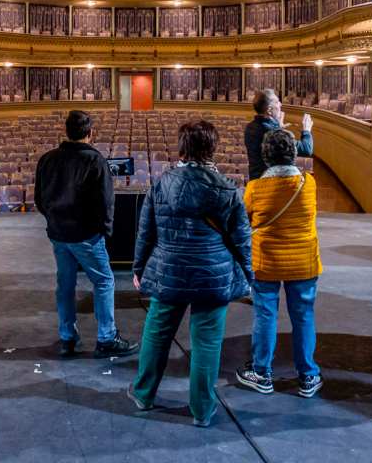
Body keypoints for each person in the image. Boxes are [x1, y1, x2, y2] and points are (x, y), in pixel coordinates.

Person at [129, 120, 253, 427]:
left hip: (169, 272)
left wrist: (139, 268)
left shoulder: (161, 184)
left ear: (182, 147)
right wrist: (248, 275)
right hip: (213, 275)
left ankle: (143, 394)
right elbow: (242, 240)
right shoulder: (227, 188)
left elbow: (146, 232)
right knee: (207, 343)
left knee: (157, 336)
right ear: (213, 147)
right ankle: (202, 410)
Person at [34, 110, 137, 359]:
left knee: (65, 286)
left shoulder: (47, 159)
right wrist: (105, 230)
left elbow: (39, 198)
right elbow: (106, 201)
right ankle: (106, 338)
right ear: (91, 133)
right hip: (86, 235)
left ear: (66, 132)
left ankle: (67, 338)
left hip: (58, 234)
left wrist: (53, 221)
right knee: (104, 281)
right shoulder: (95, 160)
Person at [235, 129, 324, 398]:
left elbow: (245, 222)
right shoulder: (308, 184)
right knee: (304, 317)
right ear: (294, 154)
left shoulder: (255, 189)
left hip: (267, 262)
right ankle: (308, 376)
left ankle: (262, 373)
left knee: (265, 316)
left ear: (266, 156)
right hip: (303, 261)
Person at [244, 89, 314, 180]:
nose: (280, 104)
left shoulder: (250, 127)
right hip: (271, 183)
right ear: (269, 110)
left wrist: (278, 127)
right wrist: (306, 131)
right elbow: (306, 149)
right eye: (277, 102)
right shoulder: (273, 133)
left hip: (255, 180)